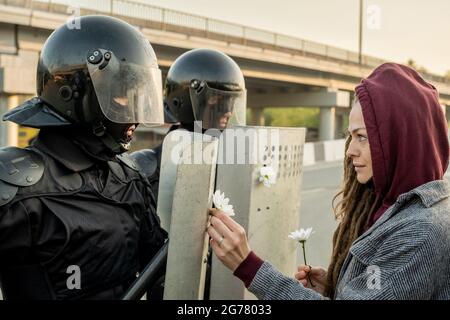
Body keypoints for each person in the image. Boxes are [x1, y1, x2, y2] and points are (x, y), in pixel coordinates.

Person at [207, 63, 450, 299]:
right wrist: (338, 288)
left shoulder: (419, 233)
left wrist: (249, 267)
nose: (350, 151)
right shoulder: (400, 205)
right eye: (350, 137)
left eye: (362, 137)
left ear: (399, 141)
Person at [0, 15, 167, 300]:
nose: (135, 115)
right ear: (75, 95)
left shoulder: (130, 178)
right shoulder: (12, 183)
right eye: (123, 96)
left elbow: (160, 271)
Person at [132, 48, 247, 200]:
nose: (229, 112)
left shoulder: (229, 167)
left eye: (233, 103)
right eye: (223, 102)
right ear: (185, 102)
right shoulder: (144, 168)